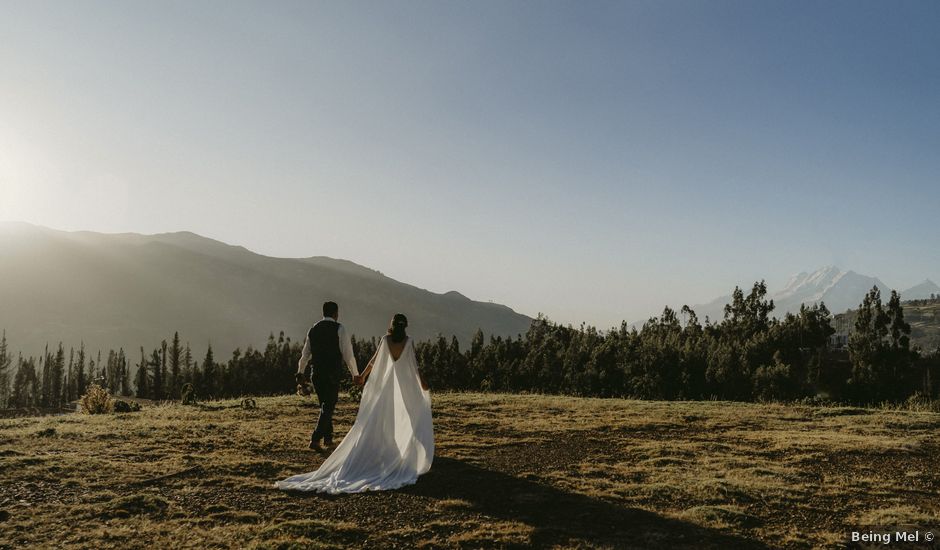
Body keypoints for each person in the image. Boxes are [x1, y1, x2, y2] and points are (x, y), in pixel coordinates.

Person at [277, 313, 433, 493]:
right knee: (407, 412)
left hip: (385, 385)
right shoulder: (408, 341)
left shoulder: (385, 339)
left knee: (379, 416)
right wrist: (422, 383)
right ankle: (404, 447)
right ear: (405, 326)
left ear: (391, 325)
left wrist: (362, 377)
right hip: (402, 384)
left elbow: (374, 361)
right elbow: (414, 366)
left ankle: (380, 447)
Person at [295, 301, 361, 451]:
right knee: (328, 406)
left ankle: (328, 439)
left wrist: (300, 372)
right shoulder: (339, 328)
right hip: (332, 374)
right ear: (335, 313)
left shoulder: (313, 329)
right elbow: (348, 354)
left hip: (316, 373)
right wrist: (355, 374)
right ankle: (315, 439)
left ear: (323, 312)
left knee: (325, 405)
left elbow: (305, 354)